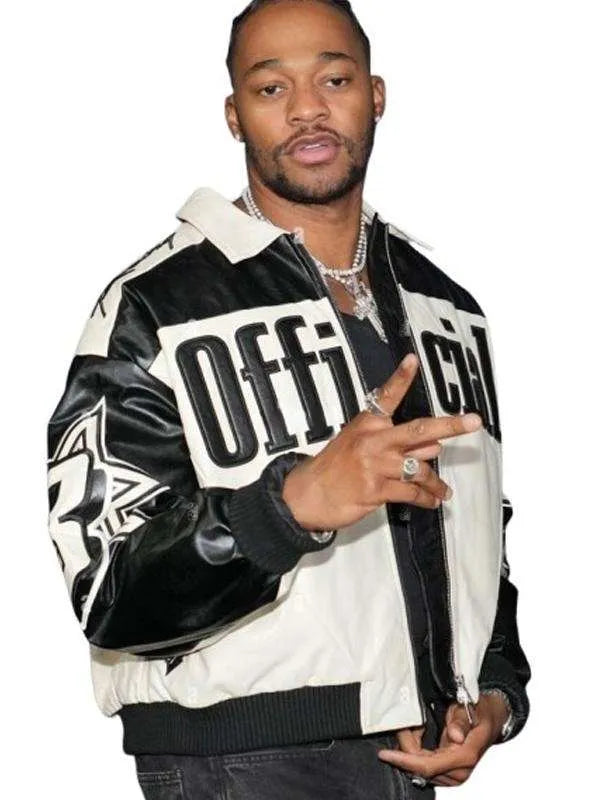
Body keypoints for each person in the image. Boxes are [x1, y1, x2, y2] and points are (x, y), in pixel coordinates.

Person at [47, 1, 531, 797]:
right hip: (238, 763)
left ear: (376, 94)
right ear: (235, 115)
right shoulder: (155, 304)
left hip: (412, 752)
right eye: (271, 88)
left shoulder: (445, 307)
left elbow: (480, 535)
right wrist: (291, 506)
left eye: (333, 79)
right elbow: (109, 592)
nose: (308, 108)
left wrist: (496, 692)